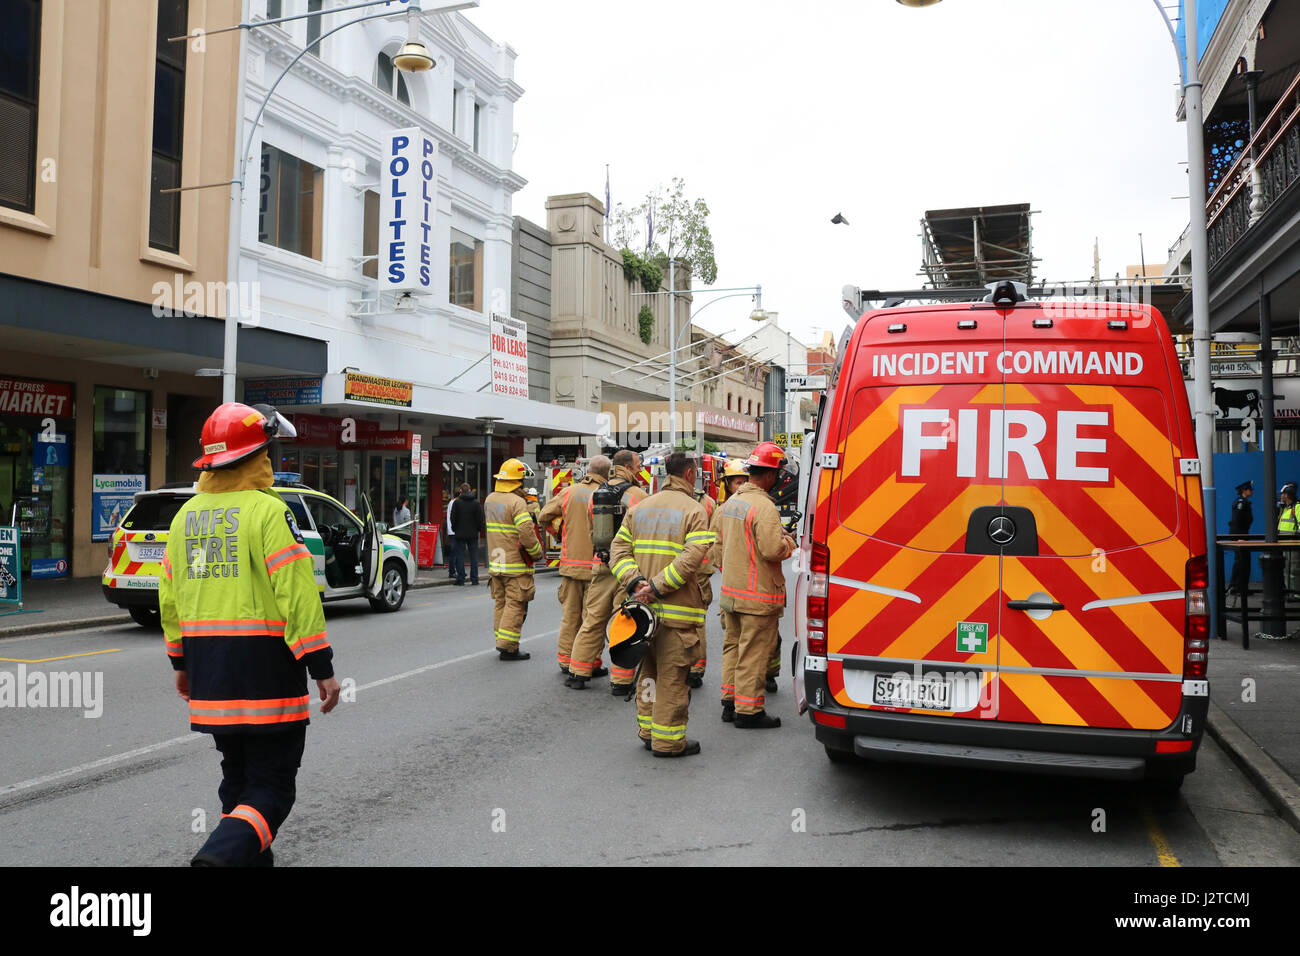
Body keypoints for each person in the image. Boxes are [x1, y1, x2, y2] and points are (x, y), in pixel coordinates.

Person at [159, 402, 339, 866]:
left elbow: (170, 599)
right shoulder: (268, 512)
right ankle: (216, 859)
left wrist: (180, 664)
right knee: (272, 787)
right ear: (260, 455)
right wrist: (321, 665)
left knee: (237, 781)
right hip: (265, 673)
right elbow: (296, 593)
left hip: (209, 674)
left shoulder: (184, 518)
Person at [610, 451, 714, 757]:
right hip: (676, 614)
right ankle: (667, 742)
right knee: (672, 679)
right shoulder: (695, 510)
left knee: (649, 672)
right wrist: (655, 586)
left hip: (642, 613)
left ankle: (648, 730)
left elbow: (617, 551)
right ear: (691, 474)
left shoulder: (640, 508)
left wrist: (635, 583)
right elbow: (691, 559)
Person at [715, 441, 796, 729]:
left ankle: (730, 701)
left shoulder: (731, 504)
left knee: (733, 647)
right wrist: (789, 541)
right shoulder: (764, 506)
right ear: (771, 475)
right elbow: (773, 550)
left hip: (731, 593)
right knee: (753, 652)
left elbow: (718, 547)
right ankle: (748, 712)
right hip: (757, 595)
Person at [566, 449, 648, 692]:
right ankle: (621, 681)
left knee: (592, 619)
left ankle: (578, 671)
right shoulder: (638, 496)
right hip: (626, 568)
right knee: (624, 621)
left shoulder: (596, 493)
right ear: (630, 468)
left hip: (600, 563)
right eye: (637, 465)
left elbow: (593, 530)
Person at [538, 457, 609, 677]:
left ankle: (565, 660)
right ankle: (589, 663)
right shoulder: (607, 494)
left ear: (588, 470)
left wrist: (559, 531)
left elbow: (543, 516)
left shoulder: (569, 492)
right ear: (607, 473)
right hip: (596, 568)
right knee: (592, 620)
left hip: (570, 566)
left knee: (570, 617)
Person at [484, 458, 542, 660]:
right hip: (515, 564)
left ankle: (502, 639)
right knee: (515, 604)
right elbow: (526, 533)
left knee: (500, 602)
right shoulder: (517, 503)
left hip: (496, 561)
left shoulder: (490, 499)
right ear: (518, 481)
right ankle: (508, 647)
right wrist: (536, 553)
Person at [712, 459, 749, 703]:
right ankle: (734, 698)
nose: (743, 486)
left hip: (744, 588)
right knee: (737, 643)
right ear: (727, 484)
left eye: (746, 481)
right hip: (740, 589)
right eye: (738, 482)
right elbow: (716, 548)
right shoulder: (722, 512)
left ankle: (768, 675)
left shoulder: (756, 506)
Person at [449, 482, 485, 586]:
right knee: (474, 556)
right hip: (473, 533)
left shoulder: (457, 503)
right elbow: (480, 519)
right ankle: (474, 578)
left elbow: (453, 518)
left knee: (460, 556)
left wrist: (454, 529)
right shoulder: (476, 503)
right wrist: (478, 529)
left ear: (460, 491)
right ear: (470, 490)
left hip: (459, 533)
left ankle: (461, 578)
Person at [1227, 479, 1253, 602]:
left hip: (1242, 534)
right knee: (1242, 561)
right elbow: (1237, 519)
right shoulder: (1241, 502)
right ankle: (1237, 586)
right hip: (1240, 535)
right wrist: (1240, 537)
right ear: (1244, 491)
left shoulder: (1244, 502)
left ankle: (1239, 586)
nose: (1251, 491)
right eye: (1250, 489)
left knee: (1242, 560)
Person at [1280, 482, 1299, 597]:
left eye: (1282, 493)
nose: (1281, 496)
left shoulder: (1297, 507)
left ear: (1286, 495)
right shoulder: (1285, 508)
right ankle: (1290, 593)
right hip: (1284, 544)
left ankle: (1296, 594)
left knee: (1294, 571)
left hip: (1294, 544)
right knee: (1286, 570)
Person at [445, 488, 462, 581]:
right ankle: (452, 571)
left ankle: (458, 570)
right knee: (454, 552)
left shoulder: (452, 502)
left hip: (453, 530)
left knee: (456, 551)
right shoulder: (453, 503)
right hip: (453, 531)